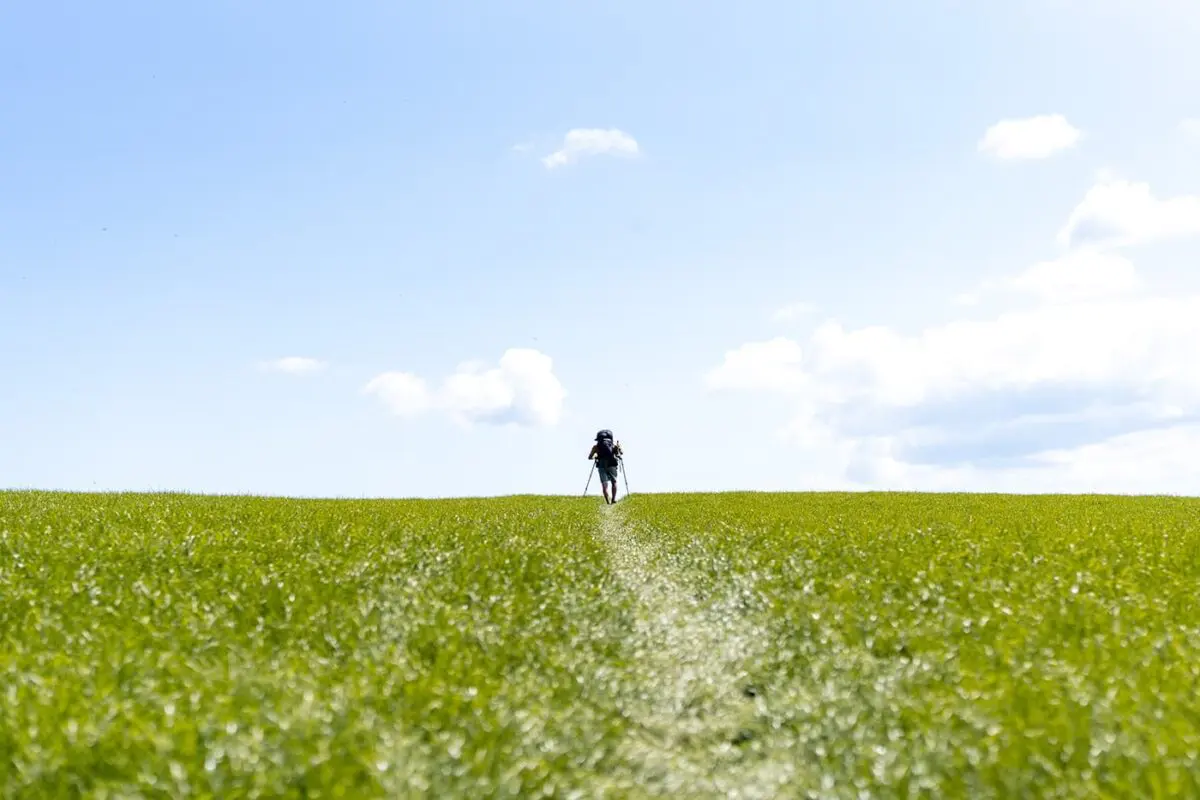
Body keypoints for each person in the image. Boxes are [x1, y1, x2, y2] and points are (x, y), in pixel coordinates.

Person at [588, 429, 623, 504]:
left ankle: (607, 502)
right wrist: (618, 448)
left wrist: (596, 456)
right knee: (614, 482)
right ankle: (613, 499)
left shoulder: (596, 447)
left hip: (601, 465)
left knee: (605, 484)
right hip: (612, 464)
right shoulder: (614, 445)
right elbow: (621, 453)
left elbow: (589, 457)